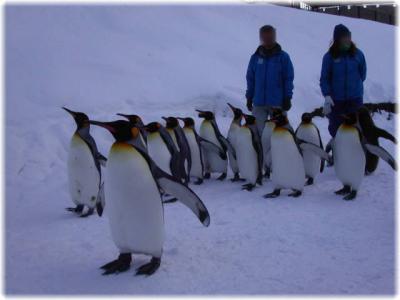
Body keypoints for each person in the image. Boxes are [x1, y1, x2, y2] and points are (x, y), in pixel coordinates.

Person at [320, 24, 367, 137]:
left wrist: (355, 88)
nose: (348, 39)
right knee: (337, 132)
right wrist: (327, 95)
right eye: (344, 37)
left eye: (349, 36)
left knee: (358, 132)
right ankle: (338, 153)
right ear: (337, 39)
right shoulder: (329, 57)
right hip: (337, 102)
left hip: (355, 101)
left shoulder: (358, 55)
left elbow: (363, 74)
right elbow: (324, 78)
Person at [245, 25, 294, 133]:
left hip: (277, 103)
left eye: (269, 36)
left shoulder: (283, 57)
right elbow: (251, 79)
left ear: (274, 37)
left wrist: (287, 97)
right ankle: (262, 150)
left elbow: (288, 78)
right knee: (258, 132)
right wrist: (249, 97)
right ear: (261, 38)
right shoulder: (255, 57)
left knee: (282, 131)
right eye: (264, 37)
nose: (267, 39)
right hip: (259, 102)